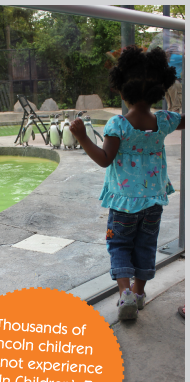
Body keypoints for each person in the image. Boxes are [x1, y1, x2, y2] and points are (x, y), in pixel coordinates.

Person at [69, 45, 185, 321]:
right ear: (161, 90)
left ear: (121, 91)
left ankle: (124, 294)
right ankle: (139, 293)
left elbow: (105, 158)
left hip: (123, 203)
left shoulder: (117, 125)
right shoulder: (165, 121)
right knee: (146, 246)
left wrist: (83, 137)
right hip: (153, 202)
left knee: (119, 246)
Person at [165, 43, 183, 113]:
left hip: (166, 82)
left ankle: (170, 123)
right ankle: (176, 123)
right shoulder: (177, 57)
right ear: (175, 49)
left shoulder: (167, 57)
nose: (179, 50)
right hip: (174, 82)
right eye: (179, 49)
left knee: (170, 106)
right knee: (176, 106)